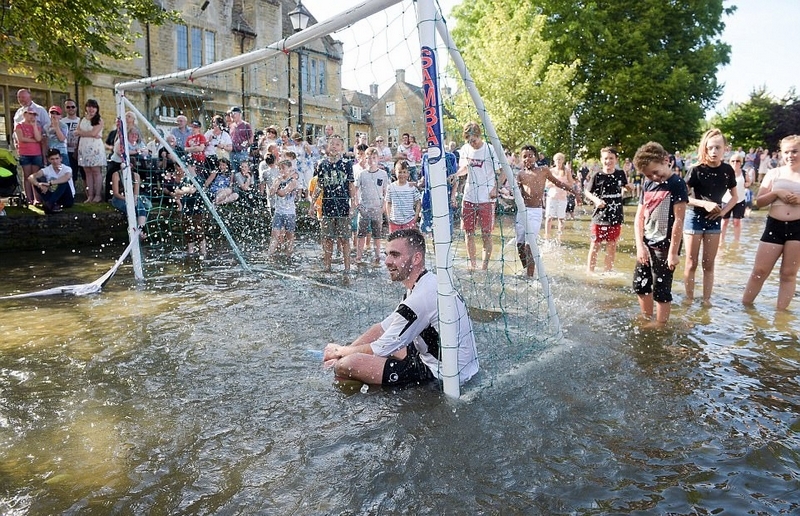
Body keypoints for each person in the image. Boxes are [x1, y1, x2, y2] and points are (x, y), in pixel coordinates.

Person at [321, 228, 479, 387]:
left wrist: (339, 352)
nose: (387, 261)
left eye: (395, 255)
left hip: (443, 376)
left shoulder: (420, 298)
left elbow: (381, 348)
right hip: (450, 362)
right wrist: (346, 349)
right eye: (387, 254)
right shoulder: (426, 282)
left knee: (346, 365)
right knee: (363, 349)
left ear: (416, 258)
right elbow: (381, 328)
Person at [631, 142, 688, 326]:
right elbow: (639, 217)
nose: (654, 177)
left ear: (666, 161)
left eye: (656, 172)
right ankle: (647, 317)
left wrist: (673, 252)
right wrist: (640, 246)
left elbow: (679, 220)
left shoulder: (677, 184)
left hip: (665, 245)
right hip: (647, 242)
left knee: (661, 288)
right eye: (649, 175)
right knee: (640, 284)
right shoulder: (648, 184)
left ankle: (661, 324)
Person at [742, 135, 800, 310]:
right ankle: (745, 308)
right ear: (781, 153)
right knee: (759, 271)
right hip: (774, 225)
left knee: (788, 274)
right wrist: (776, 193)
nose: (790, 155)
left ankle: (780, 315)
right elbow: (759, 202)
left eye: (795, 151)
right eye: (786, 152)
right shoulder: (775, 173)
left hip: (798, 227)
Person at [682, 128, 738, 304]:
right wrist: (703, 203)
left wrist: (723, 212)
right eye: (710, 148)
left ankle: (706, 301)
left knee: (709, 264)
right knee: (691, 263)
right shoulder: (696, 169)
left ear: (725, 149)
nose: (713, 151)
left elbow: (735, 197)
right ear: (704, 148)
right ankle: (689, 300)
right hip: (694, 218)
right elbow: (682, 197)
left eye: (717, 148)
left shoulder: (728, 170)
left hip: (714, 220)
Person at [515, 145, 575, 277]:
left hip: (535, 212)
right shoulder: (520, 174)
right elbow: (516, 192)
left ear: (536, 157)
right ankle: (527, 269)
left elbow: (558, 183)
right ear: (521, 159)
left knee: (529, 245)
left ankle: (530, 276)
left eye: (530, 156)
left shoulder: (543, 170)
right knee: (520, 246)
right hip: (522, 212)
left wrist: (573, 191)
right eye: (524, 156)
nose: (527, 159)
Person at [456, 121, 506, 270]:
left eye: (474, 140)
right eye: (469, 141)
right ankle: (472, 264)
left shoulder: (490, 150)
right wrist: (456, 175)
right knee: (468, 233)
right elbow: (465, 168)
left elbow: (504, 171)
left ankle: (484, 267)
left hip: (486, 198)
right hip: (469, 197)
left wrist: (496, 188)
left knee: (486, 234)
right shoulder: (465, 149)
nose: (472, 144)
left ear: (479, 136)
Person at [308, 134, 356, 273]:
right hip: (327, 207)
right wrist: (312, 205)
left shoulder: (347, 165)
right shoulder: (322, 164)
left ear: (342, 148)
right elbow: (319, 186)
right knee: (327, 238)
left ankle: (347, 268)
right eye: (332, 144)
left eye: (337, 144)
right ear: (328, 147)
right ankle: (327, 267)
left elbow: (351, 185)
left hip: (343, 207)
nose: (334, 147)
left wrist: (353, 205)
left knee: (344, 239)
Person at [583, 147, 631, 272]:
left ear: (616, 160)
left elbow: (626, 186)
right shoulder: (597, 175)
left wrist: (629, 187)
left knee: (612, 244)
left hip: (616, 215)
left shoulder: (620, 174)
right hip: (599, 216)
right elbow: (587, 192)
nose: (608, 161)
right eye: (605, 158)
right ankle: (590, 272)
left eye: (611, 158)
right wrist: (596, 200)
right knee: (595, 244)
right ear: (601, 160)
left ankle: (607, 271)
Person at [355, 147, 389, 265]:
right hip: (364, 208)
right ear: (365, 159)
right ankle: (359, 256)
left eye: (373, 158)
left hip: (377, 208)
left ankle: (377, 256)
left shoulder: (383, 174)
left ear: (378, 159)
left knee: (377, 235)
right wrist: (358, 205)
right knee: (361, 234)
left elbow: (386, 192)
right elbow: (355, 190)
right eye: (368, 158)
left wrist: (383, 207)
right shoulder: (362, 174)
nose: (371, 160)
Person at [266, 159, 300, 261]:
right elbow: (270, 193)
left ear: (289, 169)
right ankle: (269, 256)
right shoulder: (277, 180)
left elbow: (283, 193)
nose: (281, 170)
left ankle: (289, 257)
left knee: (289, 237)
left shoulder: (293, 182)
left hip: (289, 213)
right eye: (279, 168)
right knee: (275, 236)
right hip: (278, 212)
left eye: (283, 168)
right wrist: (277, 183)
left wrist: (276, 185)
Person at [75, 99, 105, 203]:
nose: (91, 109)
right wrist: (88, 134)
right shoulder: (82, 119)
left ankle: (98, 195)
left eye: (94, 107)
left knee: (96, 171)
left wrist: (83, 133)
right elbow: (77, 131)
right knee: (87, 172)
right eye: (89, 106)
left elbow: (94, 133)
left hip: (94, 147)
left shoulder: (99, 120)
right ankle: (90, 195)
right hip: (83, 146)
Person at [27, 149, 75, 214]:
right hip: (53, 196)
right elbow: (31, 177)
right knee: (36, 181)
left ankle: (49, 203)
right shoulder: (47, 169)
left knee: (63, 183)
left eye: (57, 158)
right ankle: (50, 203)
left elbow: (67, 177)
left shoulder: (67, 169)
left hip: (66, 198)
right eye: (52, 159)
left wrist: (50, 183)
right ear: (49, 160)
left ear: (61, 159)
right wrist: (39, 184)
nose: (55, 161)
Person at [14, 106, 43, 203]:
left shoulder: (37, 126)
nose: (32, 116)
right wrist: (33, 140)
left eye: (34, 114)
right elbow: (21, 138)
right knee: (27, 176)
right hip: (25, 153)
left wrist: (34, 126)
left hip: (36, 153)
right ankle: (28, 198)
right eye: (30, 114)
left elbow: (38, 138)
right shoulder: (19, 125)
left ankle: (36, 198)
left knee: (35, 176)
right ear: (24, 114)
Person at [720, 153, 751, 243]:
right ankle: (721, 241)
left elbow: (749, 182)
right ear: (730, 162)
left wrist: (747, 184)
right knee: (724, 221)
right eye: (733, 161)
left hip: (740, 200)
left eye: (737, 161)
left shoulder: (744, 173)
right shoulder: (726, 173)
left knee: (737, 221)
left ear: (741, 162)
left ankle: (736, 241)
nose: (735, 163)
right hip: (727, 200)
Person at [110, 167, 150, 237]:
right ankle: (133, 230)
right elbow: (116, 193)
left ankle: (141, 230)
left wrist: (134, 200)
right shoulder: (116, 175)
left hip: (131, 198)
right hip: (119, 198)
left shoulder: (136, 176)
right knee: (130, 209)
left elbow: (136, 193)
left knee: (140, 208)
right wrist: (127, 199)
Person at [543, 152, 575, 240]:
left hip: (562, 197)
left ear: (563, 160)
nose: (558, 161)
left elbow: (571, 183)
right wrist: (554, 184)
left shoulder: (567, 171)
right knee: (549, 217)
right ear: (554, 161)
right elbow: (546, 184)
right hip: (552, 196)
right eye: (557, 159)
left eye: (560, 159)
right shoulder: (551, 171)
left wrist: (563, 184)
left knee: (561, 218)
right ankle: (547, 236)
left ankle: (559, 237)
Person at [386, 160, 420, 233]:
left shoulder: (411, 187)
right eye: (400, 172)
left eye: (404, 172)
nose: (402, 174)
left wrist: (415, 217)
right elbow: (388, 202)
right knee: (395, 239)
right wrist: (388, 217)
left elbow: (418, 202)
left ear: (408, 173)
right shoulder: (391, 187)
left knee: (409, 239)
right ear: (395, 172)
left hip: (409, 220)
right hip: (394, 221)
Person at [228, 107, 253, 173]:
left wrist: (243, 145)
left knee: (244, 172)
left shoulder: (246, 125)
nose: (232, 115)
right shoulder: (231, 125)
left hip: (242, 153)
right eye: (231, 113)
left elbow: (251, 139)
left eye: (234, 113)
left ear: (240, 114)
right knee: (234, 172)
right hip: (232, 152)